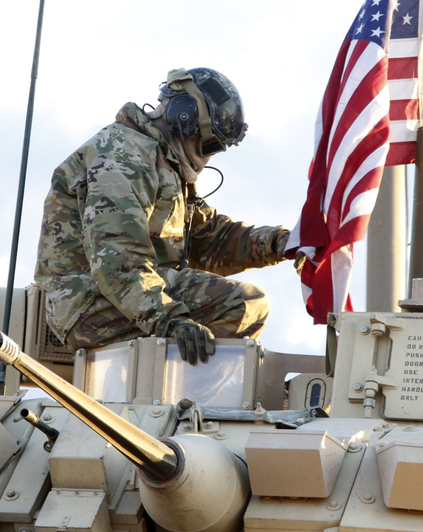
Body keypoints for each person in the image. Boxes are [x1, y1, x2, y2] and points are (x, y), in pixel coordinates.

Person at [35, 67, 293, 365]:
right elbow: (119, 261)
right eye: (208, 144)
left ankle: (185, 390)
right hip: (90, 303)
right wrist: (171, 320)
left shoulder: (162, 161)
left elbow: (209, 240)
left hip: (128, 298)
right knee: (244, 303)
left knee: (244, 304)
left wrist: (280, 243)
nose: (206, 157)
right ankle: (189, 393)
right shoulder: (123, 157)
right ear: (183, 116)